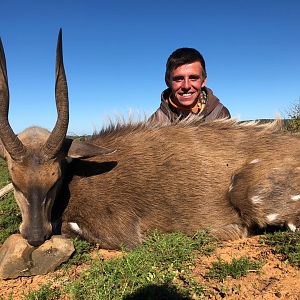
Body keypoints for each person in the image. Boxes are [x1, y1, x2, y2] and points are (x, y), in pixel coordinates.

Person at [149, 48, 230, 123]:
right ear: (167, 82)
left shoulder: (220, 115)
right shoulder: (155, 122)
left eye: (193, 78)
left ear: (203, 81)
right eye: (178, 79)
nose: (186, 86)